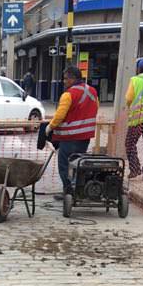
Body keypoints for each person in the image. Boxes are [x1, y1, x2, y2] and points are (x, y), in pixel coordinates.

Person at [45, 65, 99, 194]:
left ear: (73, 78)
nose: (64, 81)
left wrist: (50, 126)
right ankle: (78, 190)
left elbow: (60, 115)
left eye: (66, 79)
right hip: (85, 137)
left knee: (65, 166)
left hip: (69, 138)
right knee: (78, 164)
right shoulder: (92, 91)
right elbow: (96, 108)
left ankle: (68, 191)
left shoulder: (68, 94)